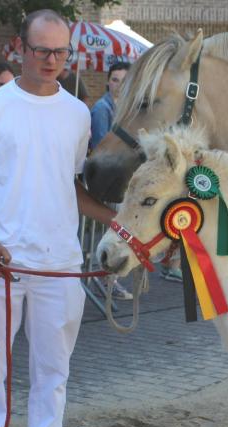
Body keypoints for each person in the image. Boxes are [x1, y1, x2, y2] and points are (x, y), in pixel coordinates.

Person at [0, 10, 116, 427]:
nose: (52, 60)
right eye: (42, 50)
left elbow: (71, 186)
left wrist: (118, 222)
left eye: (60, 52)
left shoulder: (78, 114)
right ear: (20, 50)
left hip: (60, 267)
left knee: (53, 376)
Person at [87, 61, 137, 296]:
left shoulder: (125, 108)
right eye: (115, 80)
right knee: (113, 230)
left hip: (124, 178)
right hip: (110, 179)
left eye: (123, 81)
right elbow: (102, 146)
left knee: (119, 229)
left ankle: (111, 278)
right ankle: (107, 279)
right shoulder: (102, 108)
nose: (118, 85)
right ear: (108, 81)